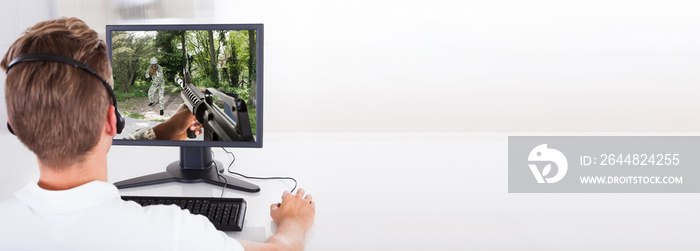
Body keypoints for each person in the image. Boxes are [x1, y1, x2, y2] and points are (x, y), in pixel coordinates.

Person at [0, 17, 315, 251]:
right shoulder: (171, 233)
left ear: (14, 125)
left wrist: (168, 128)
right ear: (113, 120)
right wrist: (294, 221)